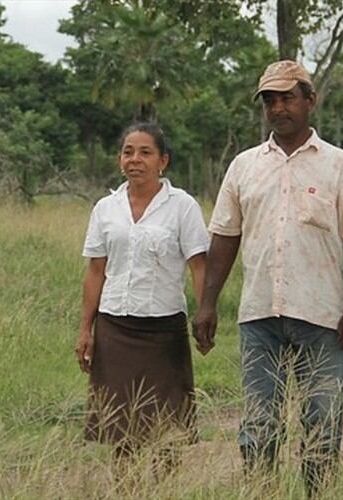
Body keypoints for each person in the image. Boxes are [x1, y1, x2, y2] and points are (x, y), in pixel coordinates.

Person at [192, 60, 343, 496]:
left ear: (309, 101)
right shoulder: (244, 167)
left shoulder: (339, 165)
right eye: (270, 101)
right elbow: (224, 237)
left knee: (321, 419)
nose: (278, 108)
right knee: (259, 422)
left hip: (323, 317)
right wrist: (206, 304)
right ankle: (262, 492)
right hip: (259, 315)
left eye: (287, 98)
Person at [75, 122, 209, 457]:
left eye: (145, 152)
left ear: (163, 161)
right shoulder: (106, 209)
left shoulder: (183, 206)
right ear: (120, 159)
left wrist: (205, 316)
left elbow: (199, 266)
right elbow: (95, 271)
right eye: (128, 152)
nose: (135, 159)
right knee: (121, 429)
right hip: (115, 328)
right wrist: (85, 329)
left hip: (163, 331)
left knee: (166, 429)